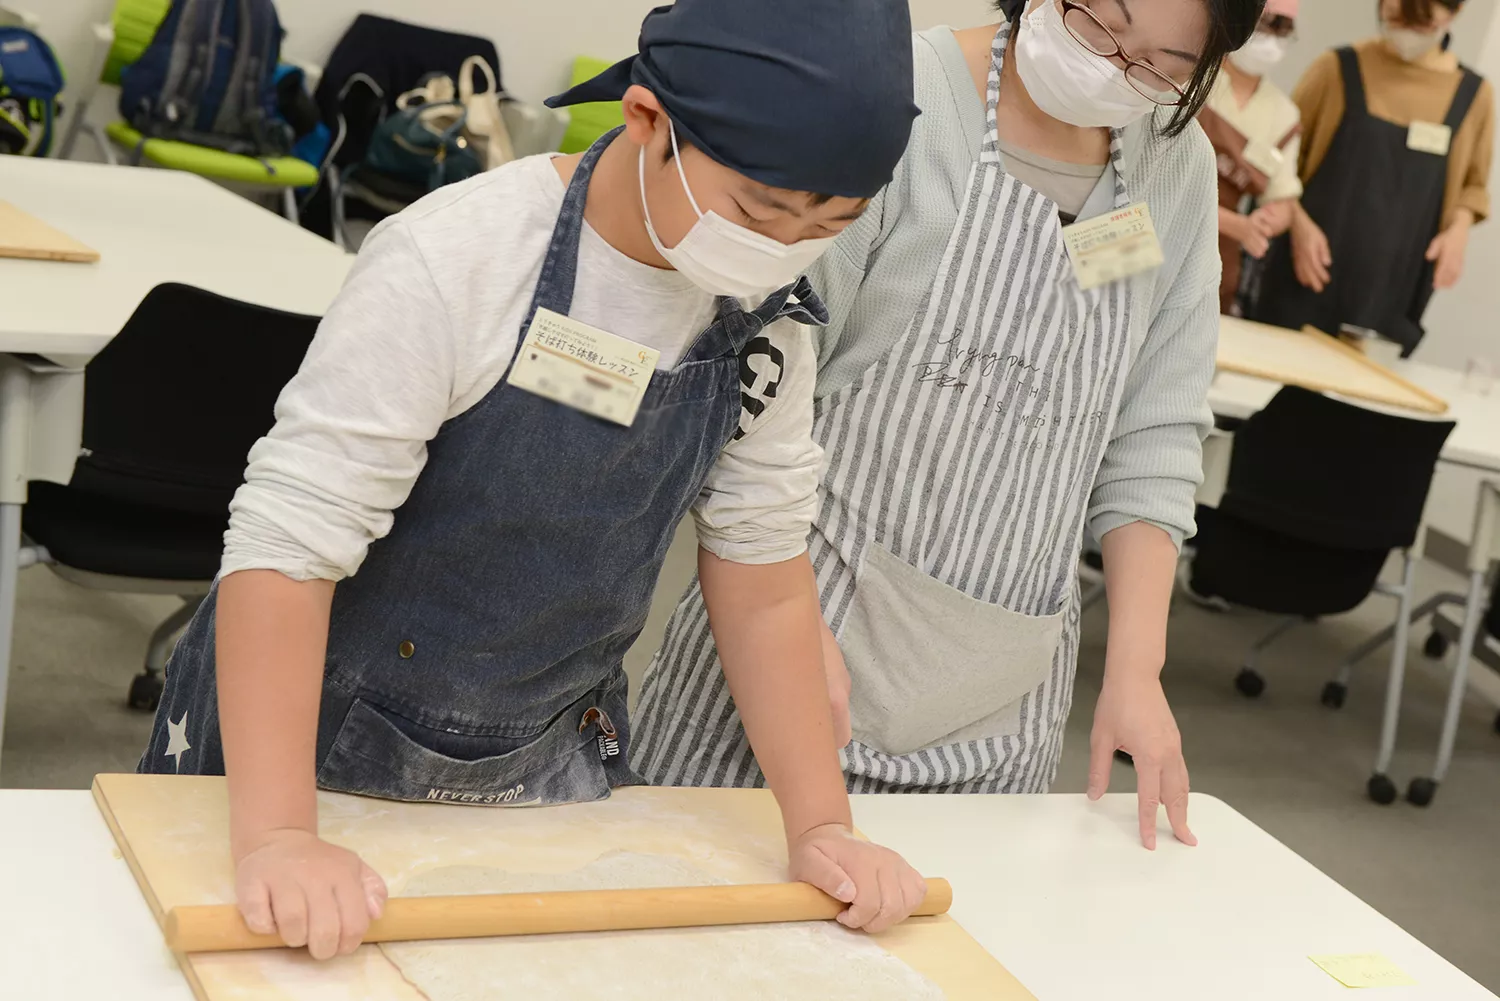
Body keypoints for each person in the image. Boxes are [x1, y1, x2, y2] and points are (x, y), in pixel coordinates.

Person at [137, 0, 928, 960]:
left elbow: (763, 576)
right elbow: (287, 548)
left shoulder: (768, 321)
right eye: (759, 209)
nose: (783, 247)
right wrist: (278, 836)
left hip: (552, 747)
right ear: (645, 121)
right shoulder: (459, 261)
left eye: (831, 222)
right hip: (303, 750)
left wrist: (821, 827)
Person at [634, 0, 1260, 851]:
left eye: (1162, 67)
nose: (1116, 68)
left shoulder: (1171, 168)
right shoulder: (905, 103)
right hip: (792, 656)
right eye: (1099, 25)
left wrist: (1137, 670)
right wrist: (785, 627)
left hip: (999, 701)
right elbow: (763, 398)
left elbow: (1154, 427)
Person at [1253, 0, 1494, 353]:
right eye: (1393, 18)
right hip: (1304, 280)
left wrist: (1458, 230)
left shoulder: (1475, 95)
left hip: (1391, 298)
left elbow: (1473, 185)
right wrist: (1299, 224)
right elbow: (1278, 165)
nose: (1405, 32)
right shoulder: (1336, 68)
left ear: (1454, 14)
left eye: (1421, 23)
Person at [1199, 0, 1304, 314]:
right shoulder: (1194, 73)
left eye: (1281, 29)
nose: (1270, 38)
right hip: (1146, 227)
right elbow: (1154, 179)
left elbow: (1282, 198)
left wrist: (1268, 221)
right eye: (1263, 25)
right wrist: (1238, 226)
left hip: (1215, 256)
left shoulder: (1283, 115)